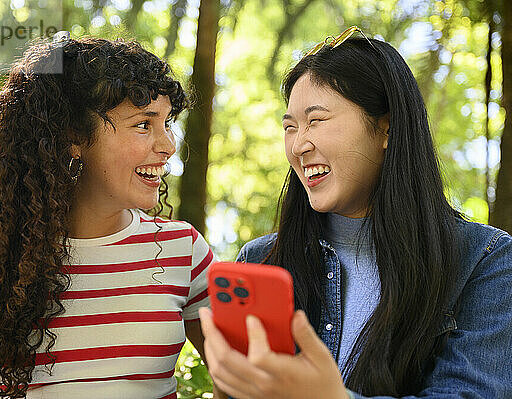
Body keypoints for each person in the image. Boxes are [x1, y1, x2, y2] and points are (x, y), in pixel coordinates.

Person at [199, 27, 512, 398]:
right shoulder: (261, 262)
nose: (299, 144)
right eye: (290, 127)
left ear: (386, 128)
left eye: (316, 120)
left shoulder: (484, 259)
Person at [0, 35, 217, 399]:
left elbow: (239, 383)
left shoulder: (184, 251)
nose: (168, 145)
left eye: (167, 123)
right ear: (73, 135)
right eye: (144, 124)